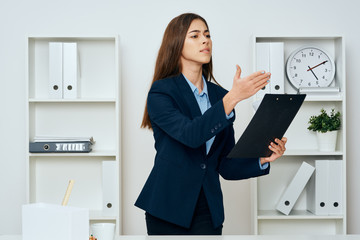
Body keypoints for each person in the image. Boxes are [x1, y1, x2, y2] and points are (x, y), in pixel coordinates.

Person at [135, 13, 287, 235]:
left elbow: (224, 164)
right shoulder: (161, 92)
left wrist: (262, 158)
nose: (205, 40)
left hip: (208, 209)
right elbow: (191, 135)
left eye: (207, 35)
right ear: (176, 44)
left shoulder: (220, 96)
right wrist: (233, 98)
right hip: (167, 207)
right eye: (195, 35)